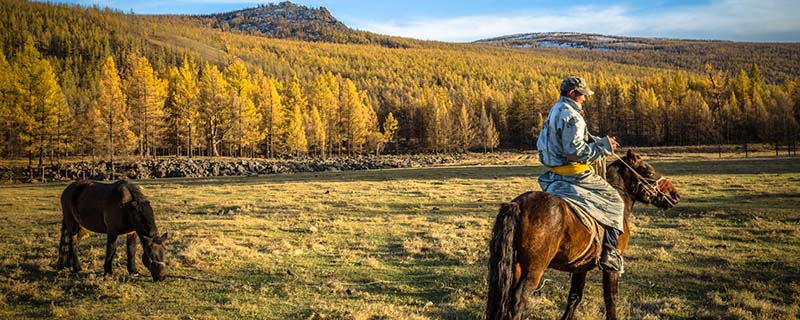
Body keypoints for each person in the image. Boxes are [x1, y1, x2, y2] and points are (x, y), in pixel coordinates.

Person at [536, 76, 625, 273]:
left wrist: (596, 141)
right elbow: (575, 151)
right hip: (575, 174)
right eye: (582, 95)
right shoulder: (572, 116)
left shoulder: (554, 111)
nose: (584, 98)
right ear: (572, 94)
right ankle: (610, 253)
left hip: (554, 175)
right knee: (616, 202)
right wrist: (603, 147)